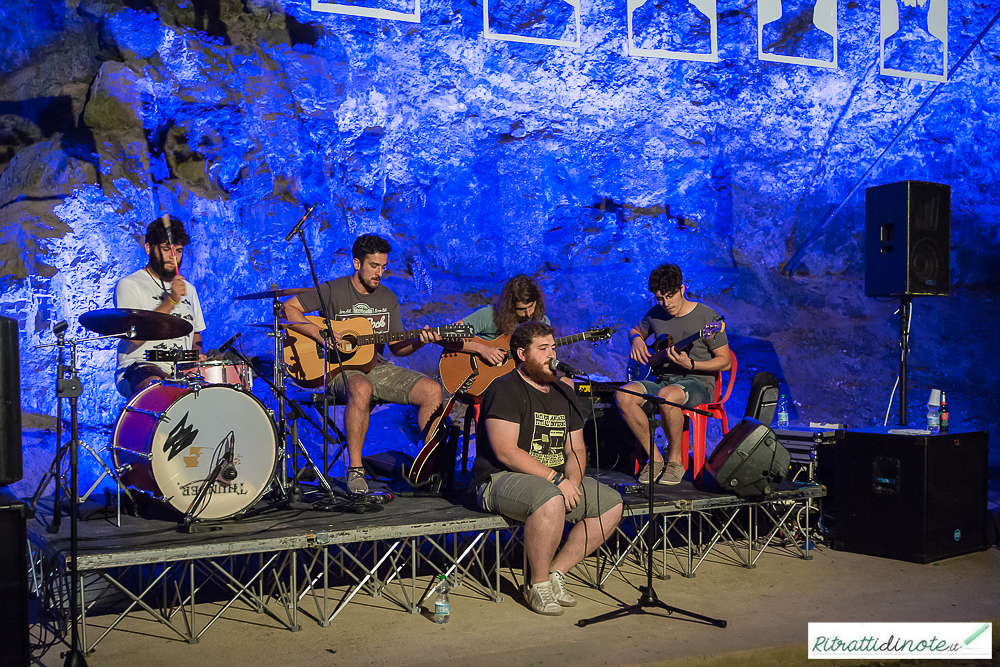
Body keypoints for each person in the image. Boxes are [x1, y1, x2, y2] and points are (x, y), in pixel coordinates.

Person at [471, 321, 623, 616]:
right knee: (550, 498)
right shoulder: (504, 388)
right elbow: (505, 450)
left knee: (611, 504)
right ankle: (536, 585)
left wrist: (573, 481)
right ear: (522, 354)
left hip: (553, 480)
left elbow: (576, 448)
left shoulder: (564, 392)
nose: (552, 355)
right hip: (499, 478)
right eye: (543, 349)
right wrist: (557, 480)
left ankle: (557, 573)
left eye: (553, 348)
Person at [283, 233, 443, 495]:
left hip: (376, 366)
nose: (379, 272)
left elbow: (398, 348)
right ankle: (356, 471)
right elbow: (289, 309)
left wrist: (421, 341)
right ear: (357, 263)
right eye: (374, 266)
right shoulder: (333, 289)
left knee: (431, 390)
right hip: (338, 370)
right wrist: (320, 335)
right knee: (360, 388)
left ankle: (426, 470)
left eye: (383, 267)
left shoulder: (387, 298)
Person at [615, 263, 731, 485]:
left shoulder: (707, 317)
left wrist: (693, 365)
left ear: (682, 289)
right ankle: (656, 457)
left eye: (670, 296)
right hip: (661, 381)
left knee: (668, 396)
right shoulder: (655, 314)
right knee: (623, 395)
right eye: (660, 298)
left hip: (697, 382)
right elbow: (635, 330)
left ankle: (676, 461)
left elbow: (725, 362)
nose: (665, 303)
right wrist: (636, 339)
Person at [114, 217, 206, 399]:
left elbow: (196, 336)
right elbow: (135, 338)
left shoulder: (189, 290)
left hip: (181, 369)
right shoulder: (130, 285)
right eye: (167, 250)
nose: (174, 258)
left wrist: (196, 356)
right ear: (148, 248)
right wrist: (171, 301)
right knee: (158, 388)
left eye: (178, 251)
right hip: (141, 366)